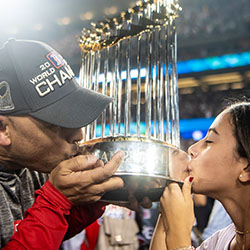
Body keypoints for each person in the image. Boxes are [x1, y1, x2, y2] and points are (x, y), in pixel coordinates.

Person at [0, 38, 126, 249]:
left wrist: (94, 197)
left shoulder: (30, 165)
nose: (79, 134)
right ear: (3, 129)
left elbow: (41, 233)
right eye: (55, 122)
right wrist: (54, 202)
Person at [150, 100, 250, 250]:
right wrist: (168, 213)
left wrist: (179, 238)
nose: (192, 149)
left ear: (246, 169)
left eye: (209, 141)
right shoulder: (218, 242)